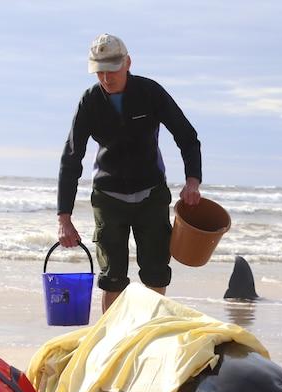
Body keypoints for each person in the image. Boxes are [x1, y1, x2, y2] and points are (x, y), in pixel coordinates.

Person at [57, 33, 202, 313]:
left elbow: (187, 136)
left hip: (151, 195)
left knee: (156, 272)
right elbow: (71, 158)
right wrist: (64, 217)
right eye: (99, 70)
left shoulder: (150, 92)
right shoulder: (90, 101)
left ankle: (151, 336)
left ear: (128, 63)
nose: (106, 78)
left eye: (112, 69)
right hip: (109, 199)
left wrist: (192, 180)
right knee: (112, 278)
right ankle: (112, 342)